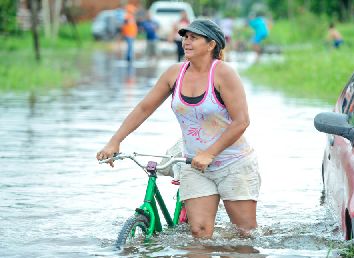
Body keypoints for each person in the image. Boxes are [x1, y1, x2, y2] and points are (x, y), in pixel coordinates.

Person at [96, 19, 261, 238]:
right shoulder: (175, 73)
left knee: (245, 236)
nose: (186, 42)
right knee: (199, 233)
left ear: (211, 45)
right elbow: (144, 108)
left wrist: (209, 153)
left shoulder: (223, 74)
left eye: (194, 38)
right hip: (194, 164)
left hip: (233, 163)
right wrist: (115, 141)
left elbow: (242, 121)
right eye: (185, 37)